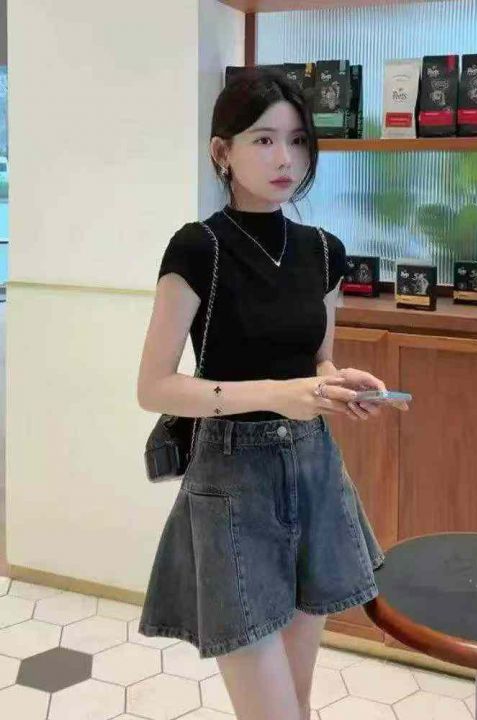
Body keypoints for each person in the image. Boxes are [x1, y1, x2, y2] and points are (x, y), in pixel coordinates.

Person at [136, 68, 400, 720]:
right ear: (221, 152)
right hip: (233, 481)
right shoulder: (198, 248)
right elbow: (155, 386)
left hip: (314, 470)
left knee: (298, 702)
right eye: (263, 140)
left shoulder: (324, 251)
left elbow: (318, 357)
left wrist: (338, 383)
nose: (286, 158)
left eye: (298, 140)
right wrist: (279, 394)